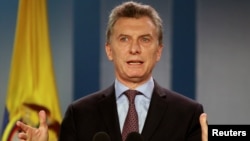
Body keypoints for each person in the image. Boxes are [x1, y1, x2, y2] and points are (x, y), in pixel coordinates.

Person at [16, 1, 208, 141]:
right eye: (124, 39)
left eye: (145, 39)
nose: (134, 49)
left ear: (158, 51)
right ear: (109, 50)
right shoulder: (79, 114)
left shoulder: (188, 114)